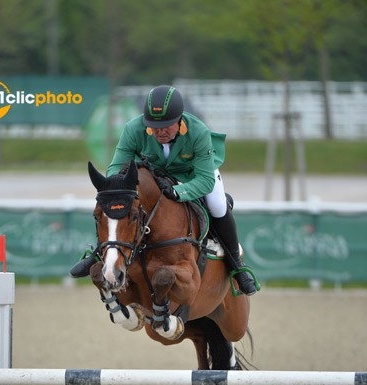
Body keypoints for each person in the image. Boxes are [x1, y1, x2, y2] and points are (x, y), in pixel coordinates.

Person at [71, 84, 257, 295]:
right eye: (154, 126)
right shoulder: (134, 128)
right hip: (155, 175)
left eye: (166, 126)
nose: (159, 132)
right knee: (119, 207)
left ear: (179, 120)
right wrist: (119, 184)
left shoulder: (198, 132)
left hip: (193, 175)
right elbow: (115, 166)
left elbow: (205, 180)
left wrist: (178, 192)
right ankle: (99, 253)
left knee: (217, 205)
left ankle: (237, 266)